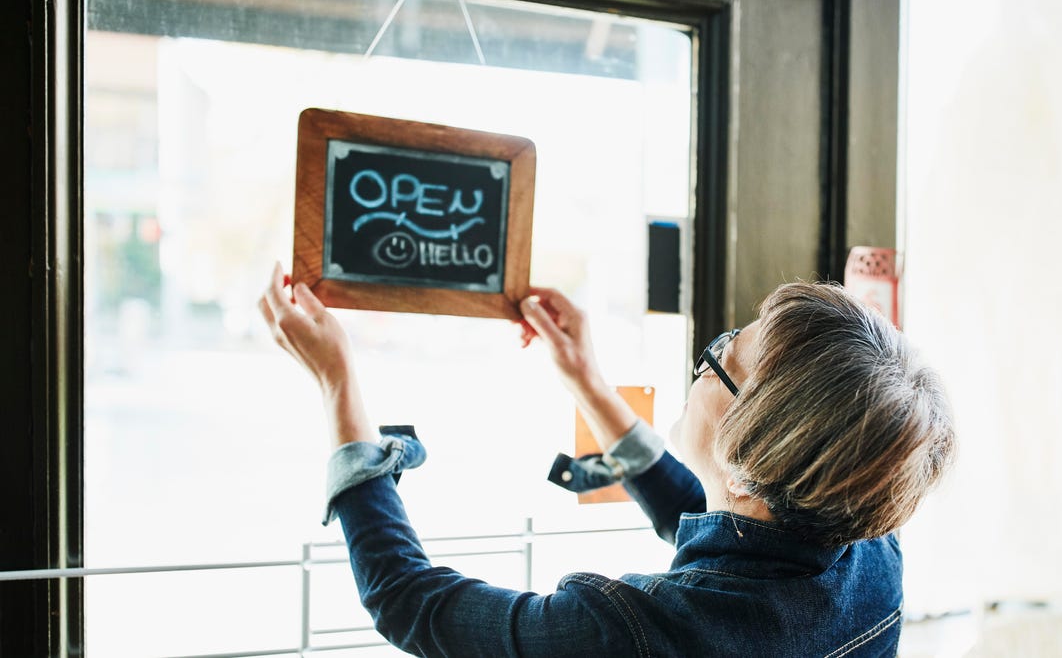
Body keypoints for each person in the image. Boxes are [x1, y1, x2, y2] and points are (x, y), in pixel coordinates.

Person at [258, 262, 955, 657]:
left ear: (751, 459)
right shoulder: (870, 551)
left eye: (723, 357)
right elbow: (736, 534)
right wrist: (587, 381)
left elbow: (410, 600)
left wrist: (337, 383)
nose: (703, 363)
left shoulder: (629, 635)